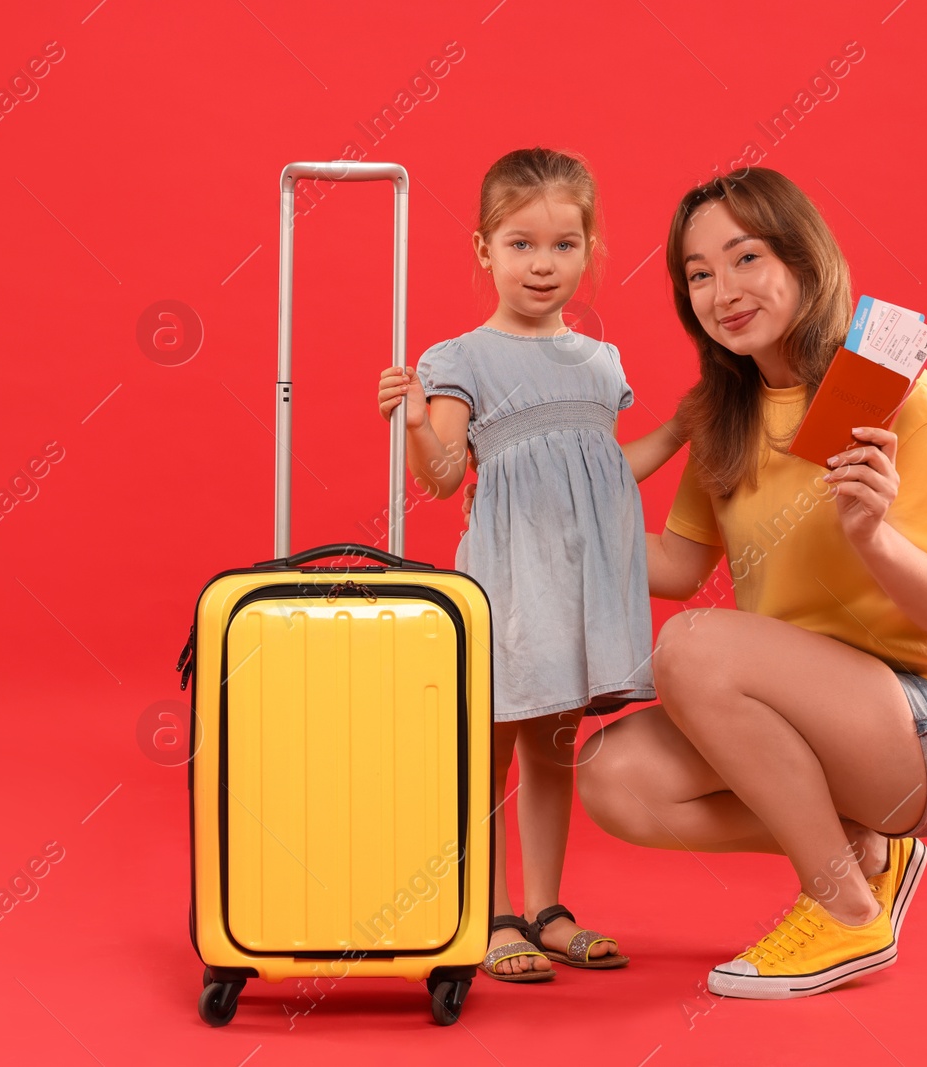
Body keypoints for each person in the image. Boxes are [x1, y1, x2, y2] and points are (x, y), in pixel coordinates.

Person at [570, 167, 927, 999]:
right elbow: (675, 562)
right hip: (824, 715)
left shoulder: (906, 403)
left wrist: (873, 536)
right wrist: (563, 541)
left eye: (745, 258)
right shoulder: (724, 416)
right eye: (698, 274)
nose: (722, 291)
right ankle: (866, 851)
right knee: (609, 774)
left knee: (695, 645)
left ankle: (845, 908)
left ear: (803, 261)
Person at [376, 147, 682, 982]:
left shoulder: (600, 362)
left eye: (562, 244)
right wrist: (411, 421)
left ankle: (546, 908)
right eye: (520, 244)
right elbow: (442, 479)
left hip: (575, 593)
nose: (542, 264)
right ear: (484, 249)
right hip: (507, 588)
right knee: (494, 750)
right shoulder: (462, 358)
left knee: (556, 748)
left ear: (590, 250)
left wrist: (685, 425)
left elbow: (609, 470)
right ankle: (491, 911)